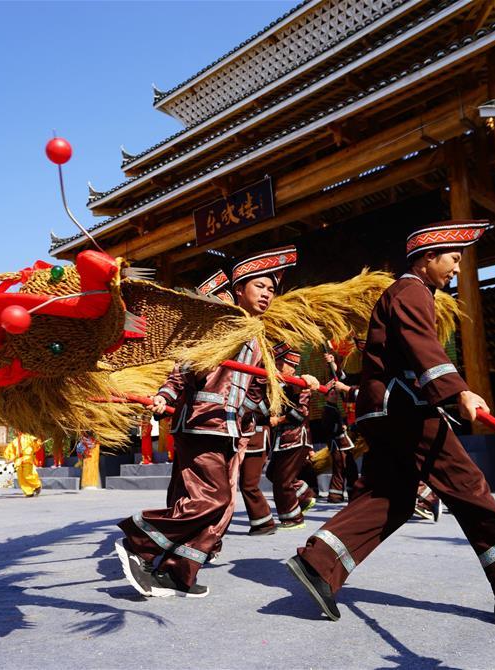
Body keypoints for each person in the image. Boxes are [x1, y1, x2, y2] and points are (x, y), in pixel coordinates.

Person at [286, 220, 495, 626]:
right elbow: (422, 346)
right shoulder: (411, 291)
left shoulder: (410, 293)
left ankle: (318, 562)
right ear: (428, 257)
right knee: (469, 488)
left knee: (391, 496)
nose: (458, 268)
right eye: (453, 258)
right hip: (406, 410)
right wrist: (458, 390)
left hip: (388, 411)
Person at [114, 246, 300, 599]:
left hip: (228, 431)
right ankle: (139, 542)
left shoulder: (257, 336)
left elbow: (255, 392)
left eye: (271, 290)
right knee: (212, 499)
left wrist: (282, 392)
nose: (265, 294)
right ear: (240, 289)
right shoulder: (218, 326)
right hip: (202, 425)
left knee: (217, 505)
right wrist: (165, 397)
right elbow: (184, 368)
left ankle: (176, 573)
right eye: (258, 286)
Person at [266, 344, 318, 530]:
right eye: (276, 363)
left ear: (291, 366)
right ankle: (305, 495)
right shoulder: (279, 384)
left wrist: (277, 420)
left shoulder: (301, 384)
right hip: (283, 438)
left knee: (282, 481)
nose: (277, 367)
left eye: (281, 364)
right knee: (273, 473)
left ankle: (293, 518)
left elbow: (301, 413)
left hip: (296, 438)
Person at [320, 352, 358, 504]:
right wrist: (340, 427)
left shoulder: (334, 407)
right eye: (332, 393)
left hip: (341, 442)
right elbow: (328, 427)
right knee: (342, 468)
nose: (335, 395)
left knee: (346, 468)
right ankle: (337, 495)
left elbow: (341, 380)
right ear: (327, 396)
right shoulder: (329, 409)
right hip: (338, 443)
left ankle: (342, 493)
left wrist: (333, 365)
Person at [4, 433, 43, 497]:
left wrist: (37, 442)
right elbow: (10, 451)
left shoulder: (28, 437)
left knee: (27, 475)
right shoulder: (14, 441)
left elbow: (36, 443)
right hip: (18, 461)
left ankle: (37, 485)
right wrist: (8, 459)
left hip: (26, 458)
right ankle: (29, 492)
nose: (16, 431)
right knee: (21, 477)